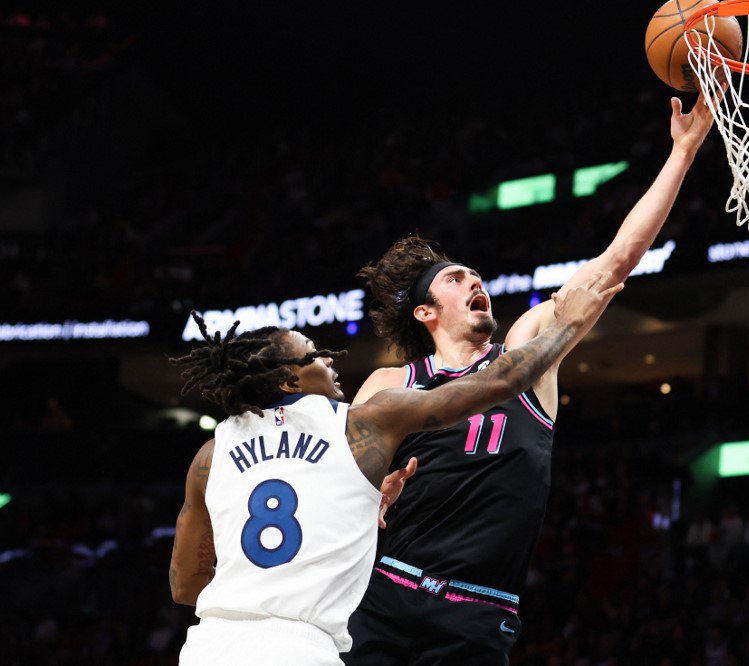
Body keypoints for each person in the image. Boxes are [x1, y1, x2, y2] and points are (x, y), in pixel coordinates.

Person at [346, 95, 715, 664]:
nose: (475, 281)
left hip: (476, 609)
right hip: (387, 591)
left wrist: (682, 152)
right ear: (425, 313)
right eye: (455, 279)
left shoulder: (525, 353)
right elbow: (337, 483)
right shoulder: (391, 382)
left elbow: (617, 259)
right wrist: (367, 497)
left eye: (476, 276)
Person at [167, 273, 620, 666]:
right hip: (301, 646)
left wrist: (252, 591)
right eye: (314, 354)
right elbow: (501, 380)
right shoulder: (359, 426)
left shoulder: (210, 454)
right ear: (289, 381)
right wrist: (568, 324)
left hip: (209, 645)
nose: (329, 358)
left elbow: (185, 585)